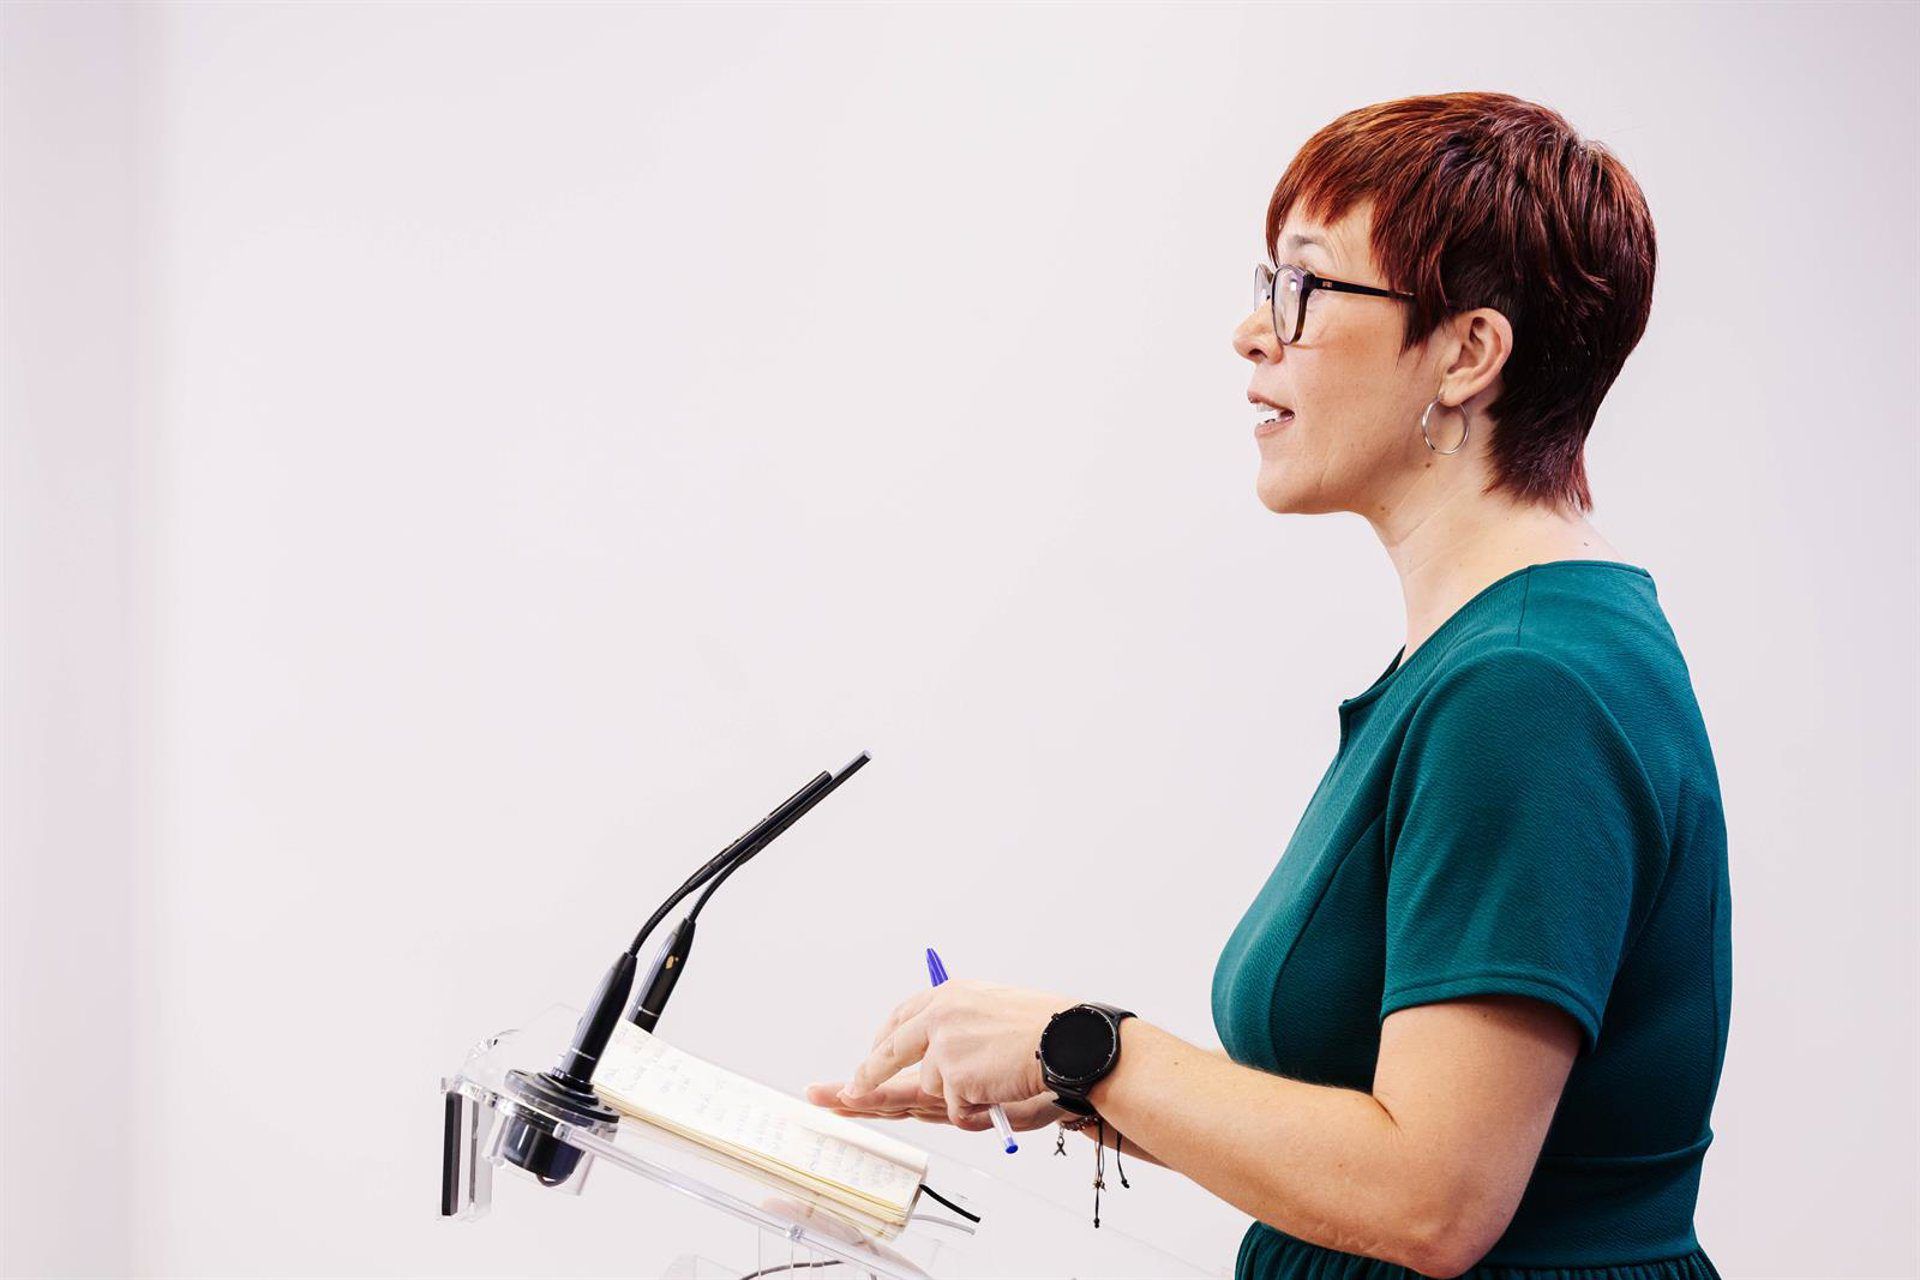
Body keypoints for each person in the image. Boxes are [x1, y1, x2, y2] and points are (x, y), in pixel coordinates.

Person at [806, 92, 1730, 1280]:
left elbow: (1432, 1197)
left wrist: (1081, 1044)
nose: (1253, 333)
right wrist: (1072, 1078)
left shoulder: (1524, 688)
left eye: (1305, 286)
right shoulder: (1503, 655)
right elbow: (1375, 1122)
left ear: (1466, 353)